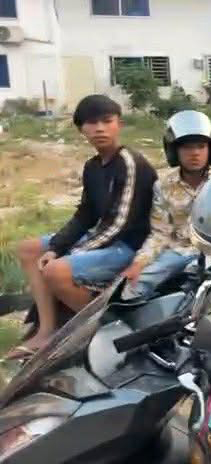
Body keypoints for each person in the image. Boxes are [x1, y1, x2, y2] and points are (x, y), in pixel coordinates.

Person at [7, 95, 157, 360]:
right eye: (92, 123)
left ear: (119, 124)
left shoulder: (130, 162)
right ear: (80, 129)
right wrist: (56, 247)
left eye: (107, 121)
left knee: (55, 270)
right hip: (103, 237)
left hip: (127, 245)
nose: (100, 129)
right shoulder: (92, 167)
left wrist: (70, 253)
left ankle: (103, 328)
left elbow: (120, 224)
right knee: (29, 249)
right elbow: (85, 215)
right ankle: (46, 331)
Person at [120, 110, 211, 301]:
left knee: (202, 294)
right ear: (173, 151)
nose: (195, 153)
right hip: (178, 251)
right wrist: (139, 263)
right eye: (187, 147)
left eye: (201, 146)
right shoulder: (163, 186)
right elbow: (160, 233)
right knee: (131, 288)